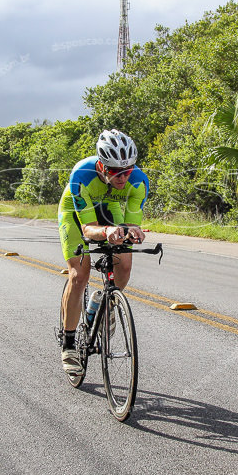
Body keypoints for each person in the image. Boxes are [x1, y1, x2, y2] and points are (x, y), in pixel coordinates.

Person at [57, 129, 149, 377]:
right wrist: (107, 231)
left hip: (108, 208)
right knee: (79, 274)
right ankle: (68, 344)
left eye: (127, 171)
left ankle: (103, 303)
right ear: (101, 165)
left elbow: (130, 224)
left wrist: (132, 232)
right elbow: (87, 228)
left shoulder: (139, 181)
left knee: (125, 263)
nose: (122, 178)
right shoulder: (81, 174)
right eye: (115, 172)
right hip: (76, 214)